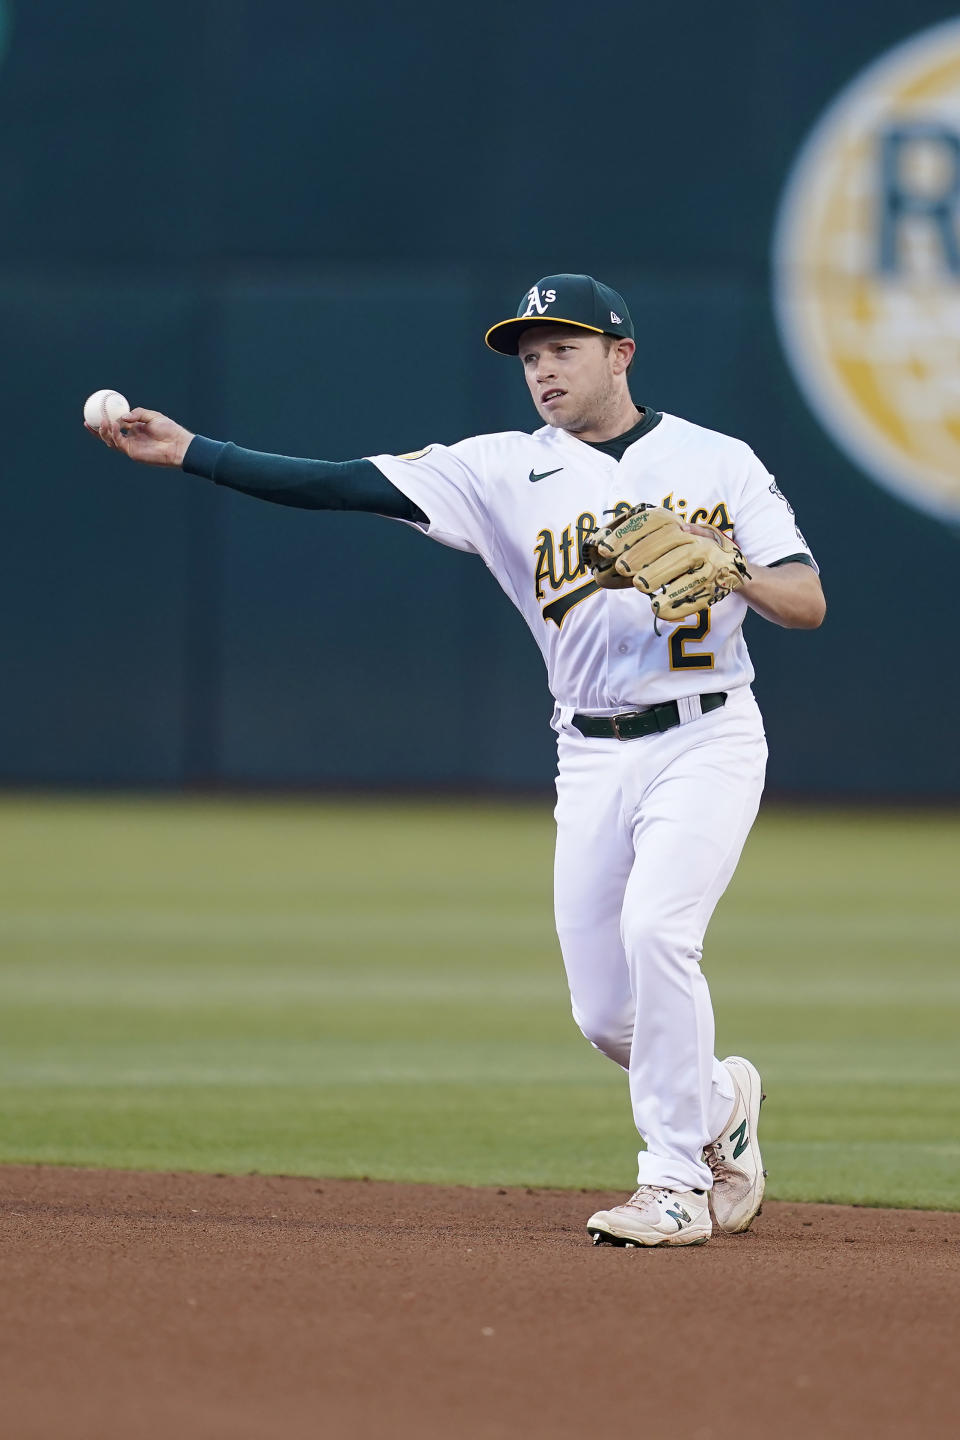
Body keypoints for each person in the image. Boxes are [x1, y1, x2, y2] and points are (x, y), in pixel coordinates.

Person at [88, 273, 825, 1248]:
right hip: (592, 755)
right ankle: (721, 1101)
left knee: (658, 932)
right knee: (608, 1014)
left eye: (562, 347)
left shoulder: (717, 460)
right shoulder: (498, 471)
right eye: (528, 356)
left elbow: (807, 602)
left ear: (623, 354)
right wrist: (192, 452)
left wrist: (732, 569)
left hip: (708, 735)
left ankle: (675, 1184)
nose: (542, 369)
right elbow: (339, 481)